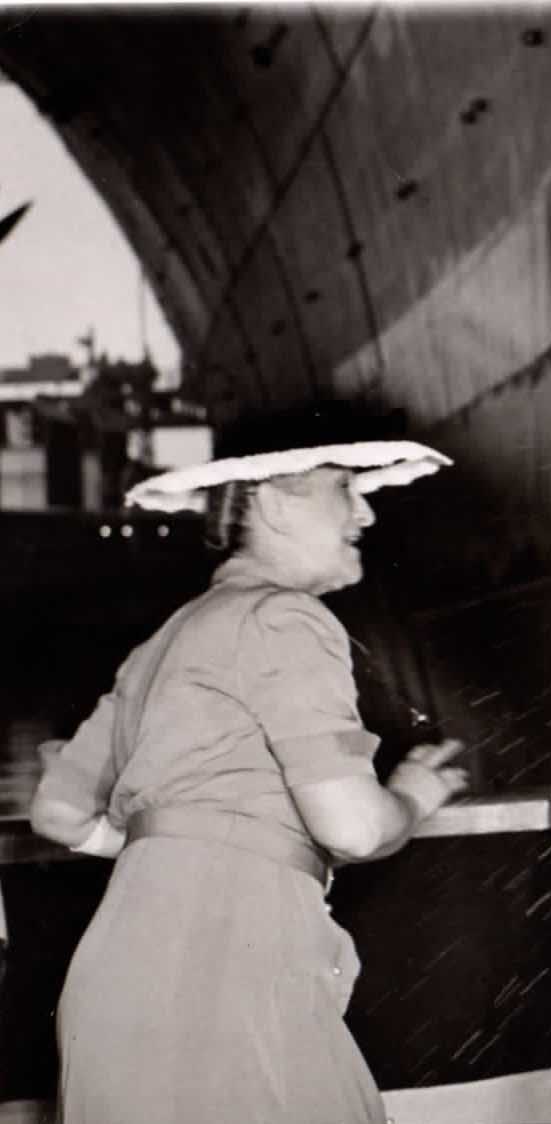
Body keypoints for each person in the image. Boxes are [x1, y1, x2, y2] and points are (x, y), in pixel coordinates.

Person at [28, 416, 466, 1123]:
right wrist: (412, 798)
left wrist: (175, 844)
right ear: (273, 503)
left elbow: (58, 811)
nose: (365, 513)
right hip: (227, 978)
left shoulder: (165, 641)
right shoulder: (285, 617)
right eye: (345, 489)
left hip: (116, 983)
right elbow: (354, 829)